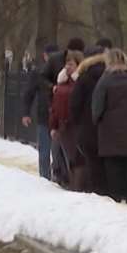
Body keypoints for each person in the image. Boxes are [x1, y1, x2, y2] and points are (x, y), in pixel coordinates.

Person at [92, 49, 127, 204]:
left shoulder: (104, 82)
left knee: (112, 166)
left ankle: (115, 196)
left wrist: (97, 121)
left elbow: (97, 107)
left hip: (108, 131)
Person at [22, 44, 66, 180]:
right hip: (49, 115)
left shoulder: (44, 72)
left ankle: (49, 176)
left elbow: (29, 93)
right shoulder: (44, 72)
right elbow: (29, 93)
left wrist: (26, 113)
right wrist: (26, 113)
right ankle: (49, 176)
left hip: (49, 114)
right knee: (51, 149)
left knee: (50, 149)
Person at [68, 46, 108, 194]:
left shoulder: (84, 78)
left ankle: (95, 191)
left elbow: (75, 104)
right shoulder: (110, 75)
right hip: (108, 126)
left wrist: (77, 122)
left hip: (87, 126)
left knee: (91, 162)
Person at [49, 42, 84, 190]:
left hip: (76, 126)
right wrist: (53, 125)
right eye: (66, 64)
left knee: (76, 159)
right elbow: (55, 107)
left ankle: (77, 187)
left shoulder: (81, 83)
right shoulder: (62, 83)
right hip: (63, 126)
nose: (67, 67)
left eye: (71, 64)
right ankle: (68, 182)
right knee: (65, 158)